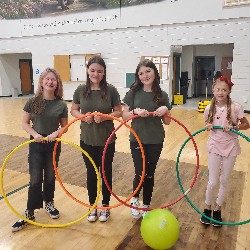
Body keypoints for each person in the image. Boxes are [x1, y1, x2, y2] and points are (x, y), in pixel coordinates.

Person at [12, 68, 68, 232]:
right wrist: (35, 134)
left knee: (50, 177)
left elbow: (65, 127)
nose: (50, 82)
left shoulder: (61, 104)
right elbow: (24, 124)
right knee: (35, 179)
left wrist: (54, 134)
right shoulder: (32, 101)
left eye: (54, 80)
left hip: (53, 143)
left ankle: (49, 204)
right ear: (42, 81)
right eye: (47, 79)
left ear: (57, 83)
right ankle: (30, 211)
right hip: (36, 143)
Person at [71, 56, 122, 222]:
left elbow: (119, 112)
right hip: (87, 139)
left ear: (104, 72)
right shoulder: (80, 90)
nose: (96, 74)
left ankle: (105, 207)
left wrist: (105, 117)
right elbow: (73, 110)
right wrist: (82, 117)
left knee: (105, 174)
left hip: (107, 141)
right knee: (91, 174)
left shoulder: (111, 90)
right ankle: (92, 206)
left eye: (99, 71)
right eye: (93, 70)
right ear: (87, 71)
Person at [122, 59, 171, 219]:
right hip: (137, 139)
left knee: (149, 174)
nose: (145, 75)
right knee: (140, 172)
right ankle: (135, 200)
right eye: (141, 73)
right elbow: (124, 116)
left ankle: (146, 204)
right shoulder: (133, 93)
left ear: (155, 72)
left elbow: (168, 121)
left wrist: (165, 110)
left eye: (148, 71)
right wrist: (135, 111)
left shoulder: (162, 95)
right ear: (138, 76)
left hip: (156, 139)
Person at [200, 75, 250, 227]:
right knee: (213, 181)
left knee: (224, 180)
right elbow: (208, 121)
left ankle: (218, 208)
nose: (220, 92)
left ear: (229, 91)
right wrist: (209, 125)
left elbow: (246, 125)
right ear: (213, 91)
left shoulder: (236, 107)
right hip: (215, 146)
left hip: (231, 147)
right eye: (217, 89)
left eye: (224, 89)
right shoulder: (209, 108)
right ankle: (207, 208)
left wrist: (234, 127)